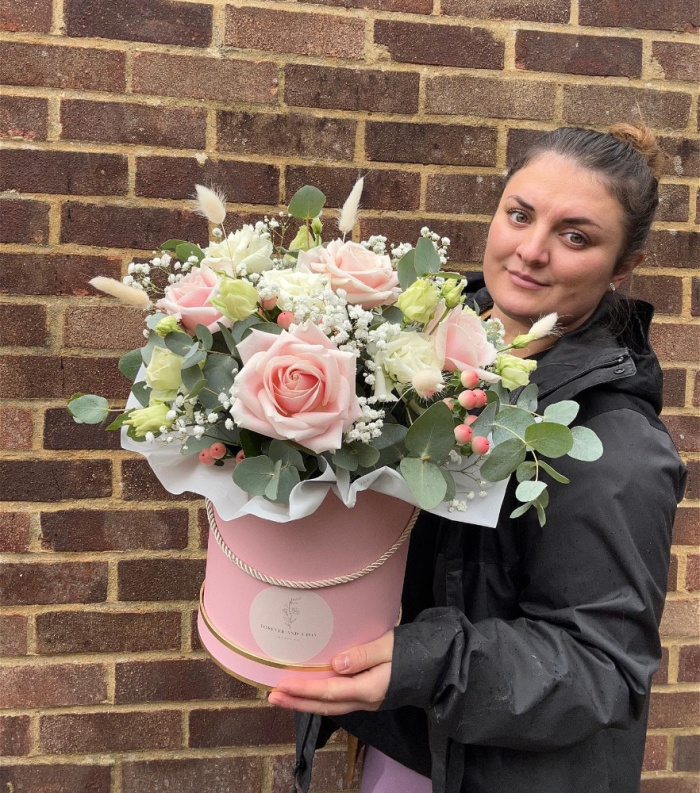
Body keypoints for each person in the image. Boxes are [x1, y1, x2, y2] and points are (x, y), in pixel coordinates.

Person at [267, 124, 688, 793]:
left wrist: (424, 662)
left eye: (575, 236)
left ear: (623, 265)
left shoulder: (617, 443)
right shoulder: (407, 354)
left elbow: (601, 666)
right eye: (519, 215)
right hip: (406, 743)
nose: (532, 249)